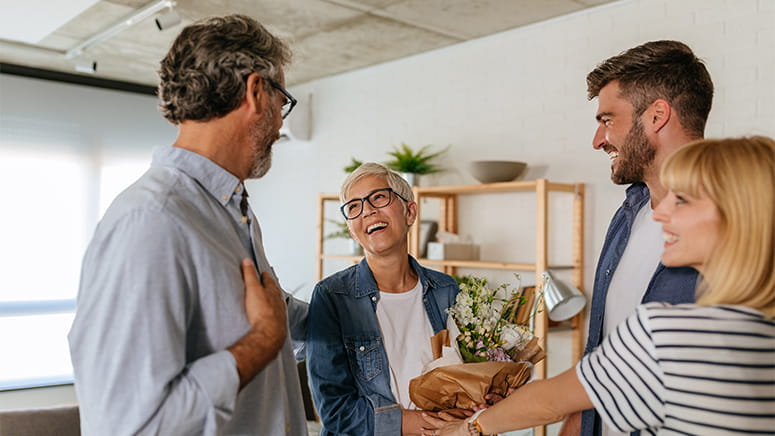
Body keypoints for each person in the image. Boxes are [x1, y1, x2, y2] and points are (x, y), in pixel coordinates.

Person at [423, 135, 775, 436]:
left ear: (738, 216)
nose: (660, 212)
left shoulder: (668, 332)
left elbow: (550, 402)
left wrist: (470, 427)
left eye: (681, 199)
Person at [68, 15, 309, 435]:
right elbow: (129, 426)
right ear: (256, 92)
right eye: (281, 102)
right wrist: (262, 341)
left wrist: (365, 303)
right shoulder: (151, 221)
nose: (279, 125)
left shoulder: (231, 211)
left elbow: (271, 310)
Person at [566, 40, 715, 436]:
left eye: (608, 119)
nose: (598, 140)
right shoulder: (627, 215)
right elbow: (601, 350)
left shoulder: (737, 224)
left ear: (657, 115)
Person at [306, 163, 466, 435]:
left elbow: (470, 377)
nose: (367, 210)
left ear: (410, 211)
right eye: (354, 207)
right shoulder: (332, 297)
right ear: (351, 230)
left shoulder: (447, 290)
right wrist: (430, 424)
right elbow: (335, 411)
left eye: (379, 197)